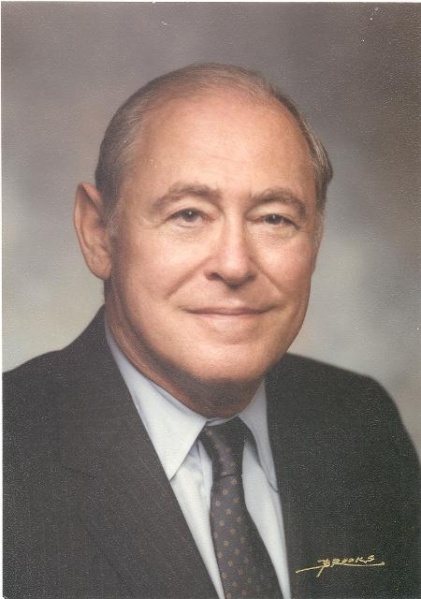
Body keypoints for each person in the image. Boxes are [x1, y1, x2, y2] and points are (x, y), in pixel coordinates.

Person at [3, 63, 419, 599]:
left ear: (315, 239)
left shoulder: (360, 420)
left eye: (273, 218)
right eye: (189, 214)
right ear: (98, 234)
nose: (234, 264)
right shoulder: (12, 448)